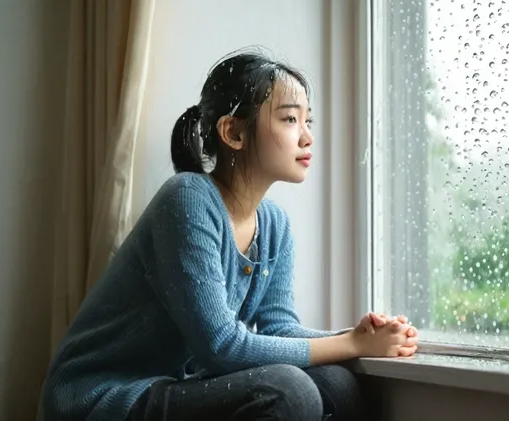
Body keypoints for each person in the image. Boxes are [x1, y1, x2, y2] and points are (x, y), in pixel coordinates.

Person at [38, 48, 419, 421]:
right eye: (289, 120)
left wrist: (359, 335)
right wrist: (352, 344)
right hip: (106, 396)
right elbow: (221, 348)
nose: (307, 138)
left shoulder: (274, 225)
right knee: (288, 390)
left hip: (175, 386)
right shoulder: (187, 199)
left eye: (308, 122)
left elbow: (279, 328)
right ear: (233, 133)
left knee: (337, 384)